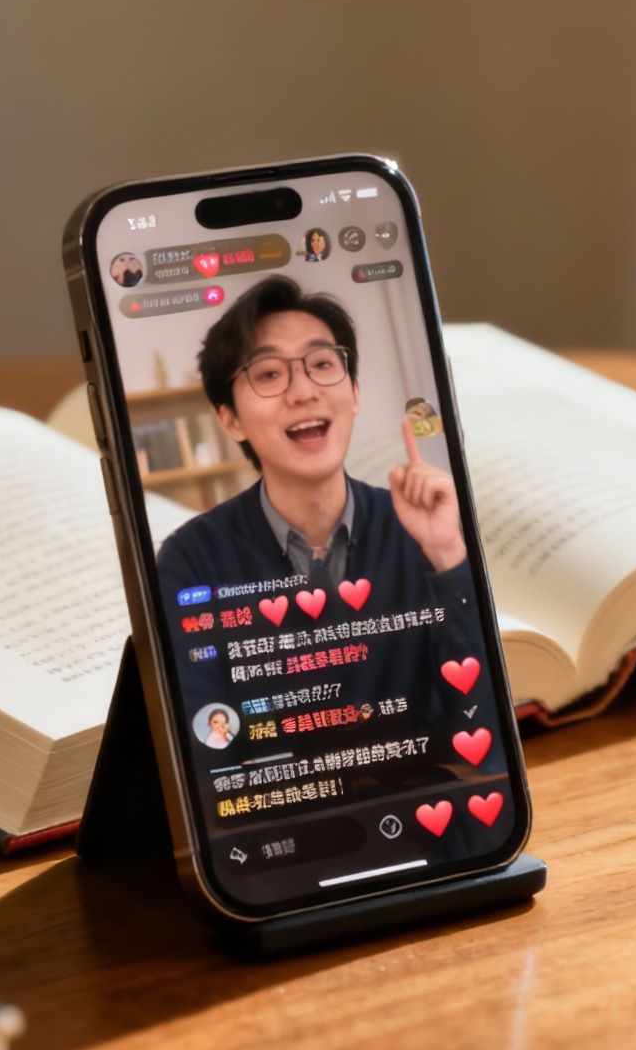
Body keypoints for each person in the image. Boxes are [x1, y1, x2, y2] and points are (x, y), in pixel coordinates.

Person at [154, 274, 488, 738]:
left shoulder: (420, 529)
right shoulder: (190, 560)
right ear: (230, 418)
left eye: (323, 364)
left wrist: (449, 555)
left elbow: (479, 720)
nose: (304, 391)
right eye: (269, 373)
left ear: (353, 393)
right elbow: (209, 739)